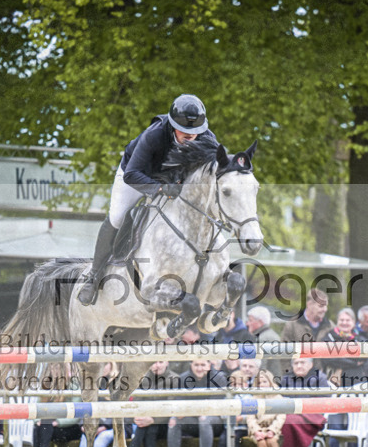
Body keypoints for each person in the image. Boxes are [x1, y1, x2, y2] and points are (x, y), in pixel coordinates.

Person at [77, 94, 217, 306]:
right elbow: (131, 174)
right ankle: (93, 276)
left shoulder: (207, 138)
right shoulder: (154, 135)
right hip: (138, 176)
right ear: (172, 125)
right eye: (184, 130)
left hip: (171, 180)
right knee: (117, 216)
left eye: (194, 132)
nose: (190, 136)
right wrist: (159, 188)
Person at [159, 359, 228, 447]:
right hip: (194, 418)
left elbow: (214, 405)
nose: (199, 368)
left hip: (215, 421)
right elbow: (180, 402)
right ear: (191, 364)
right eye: (196, 365)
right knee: (174, 421)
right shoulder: (183, 378)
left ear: (209, 365)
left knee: (205, 419)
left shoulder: (219, 378)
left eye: (203, 365)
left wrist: (193, 409)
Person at [278, 357, 331, 447]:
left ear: (311, 364)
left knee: (288, 421)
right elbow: (281, 399)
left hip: (311, 416)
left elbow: (324, 401)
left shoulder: (320, 377)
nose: (299, 366)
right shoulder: (286, 379)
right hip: (288, 413)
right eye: (296, 363)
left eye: (302, 363)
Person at [130, 360, 180, 447]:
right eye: (153, 362)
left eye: (161, 362)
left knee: (151, 427)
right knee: (149, 427)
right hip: (145, 420)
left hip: (166, 422)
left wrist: (153, 419)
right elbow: (138, 403)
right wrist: (139, 417)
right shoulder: (143, 378)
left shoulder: (175, 379)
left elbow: (170, 407)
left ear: (167, 362)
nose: (157, 366)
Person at [246, 370, 285, 447]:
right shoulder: (254, 399)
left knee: (272, 442)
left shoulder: (278, 398)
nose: (262, 385)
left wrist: (272, 430)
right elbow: (250, 418)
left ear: (270, 382)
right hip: (258, 429)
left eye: (264, 382)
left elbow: (281, 417)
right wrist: (257, 431)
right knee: (262, 443)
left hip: (272, 428)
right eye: (259, 383)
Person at [246, 305, 282, 377]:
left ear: (260, 322)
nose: (247, 323)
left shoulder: (263, 338)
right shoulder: (269, 335)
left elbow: (261, 366)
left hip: (269, 381)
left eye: (250, 320)